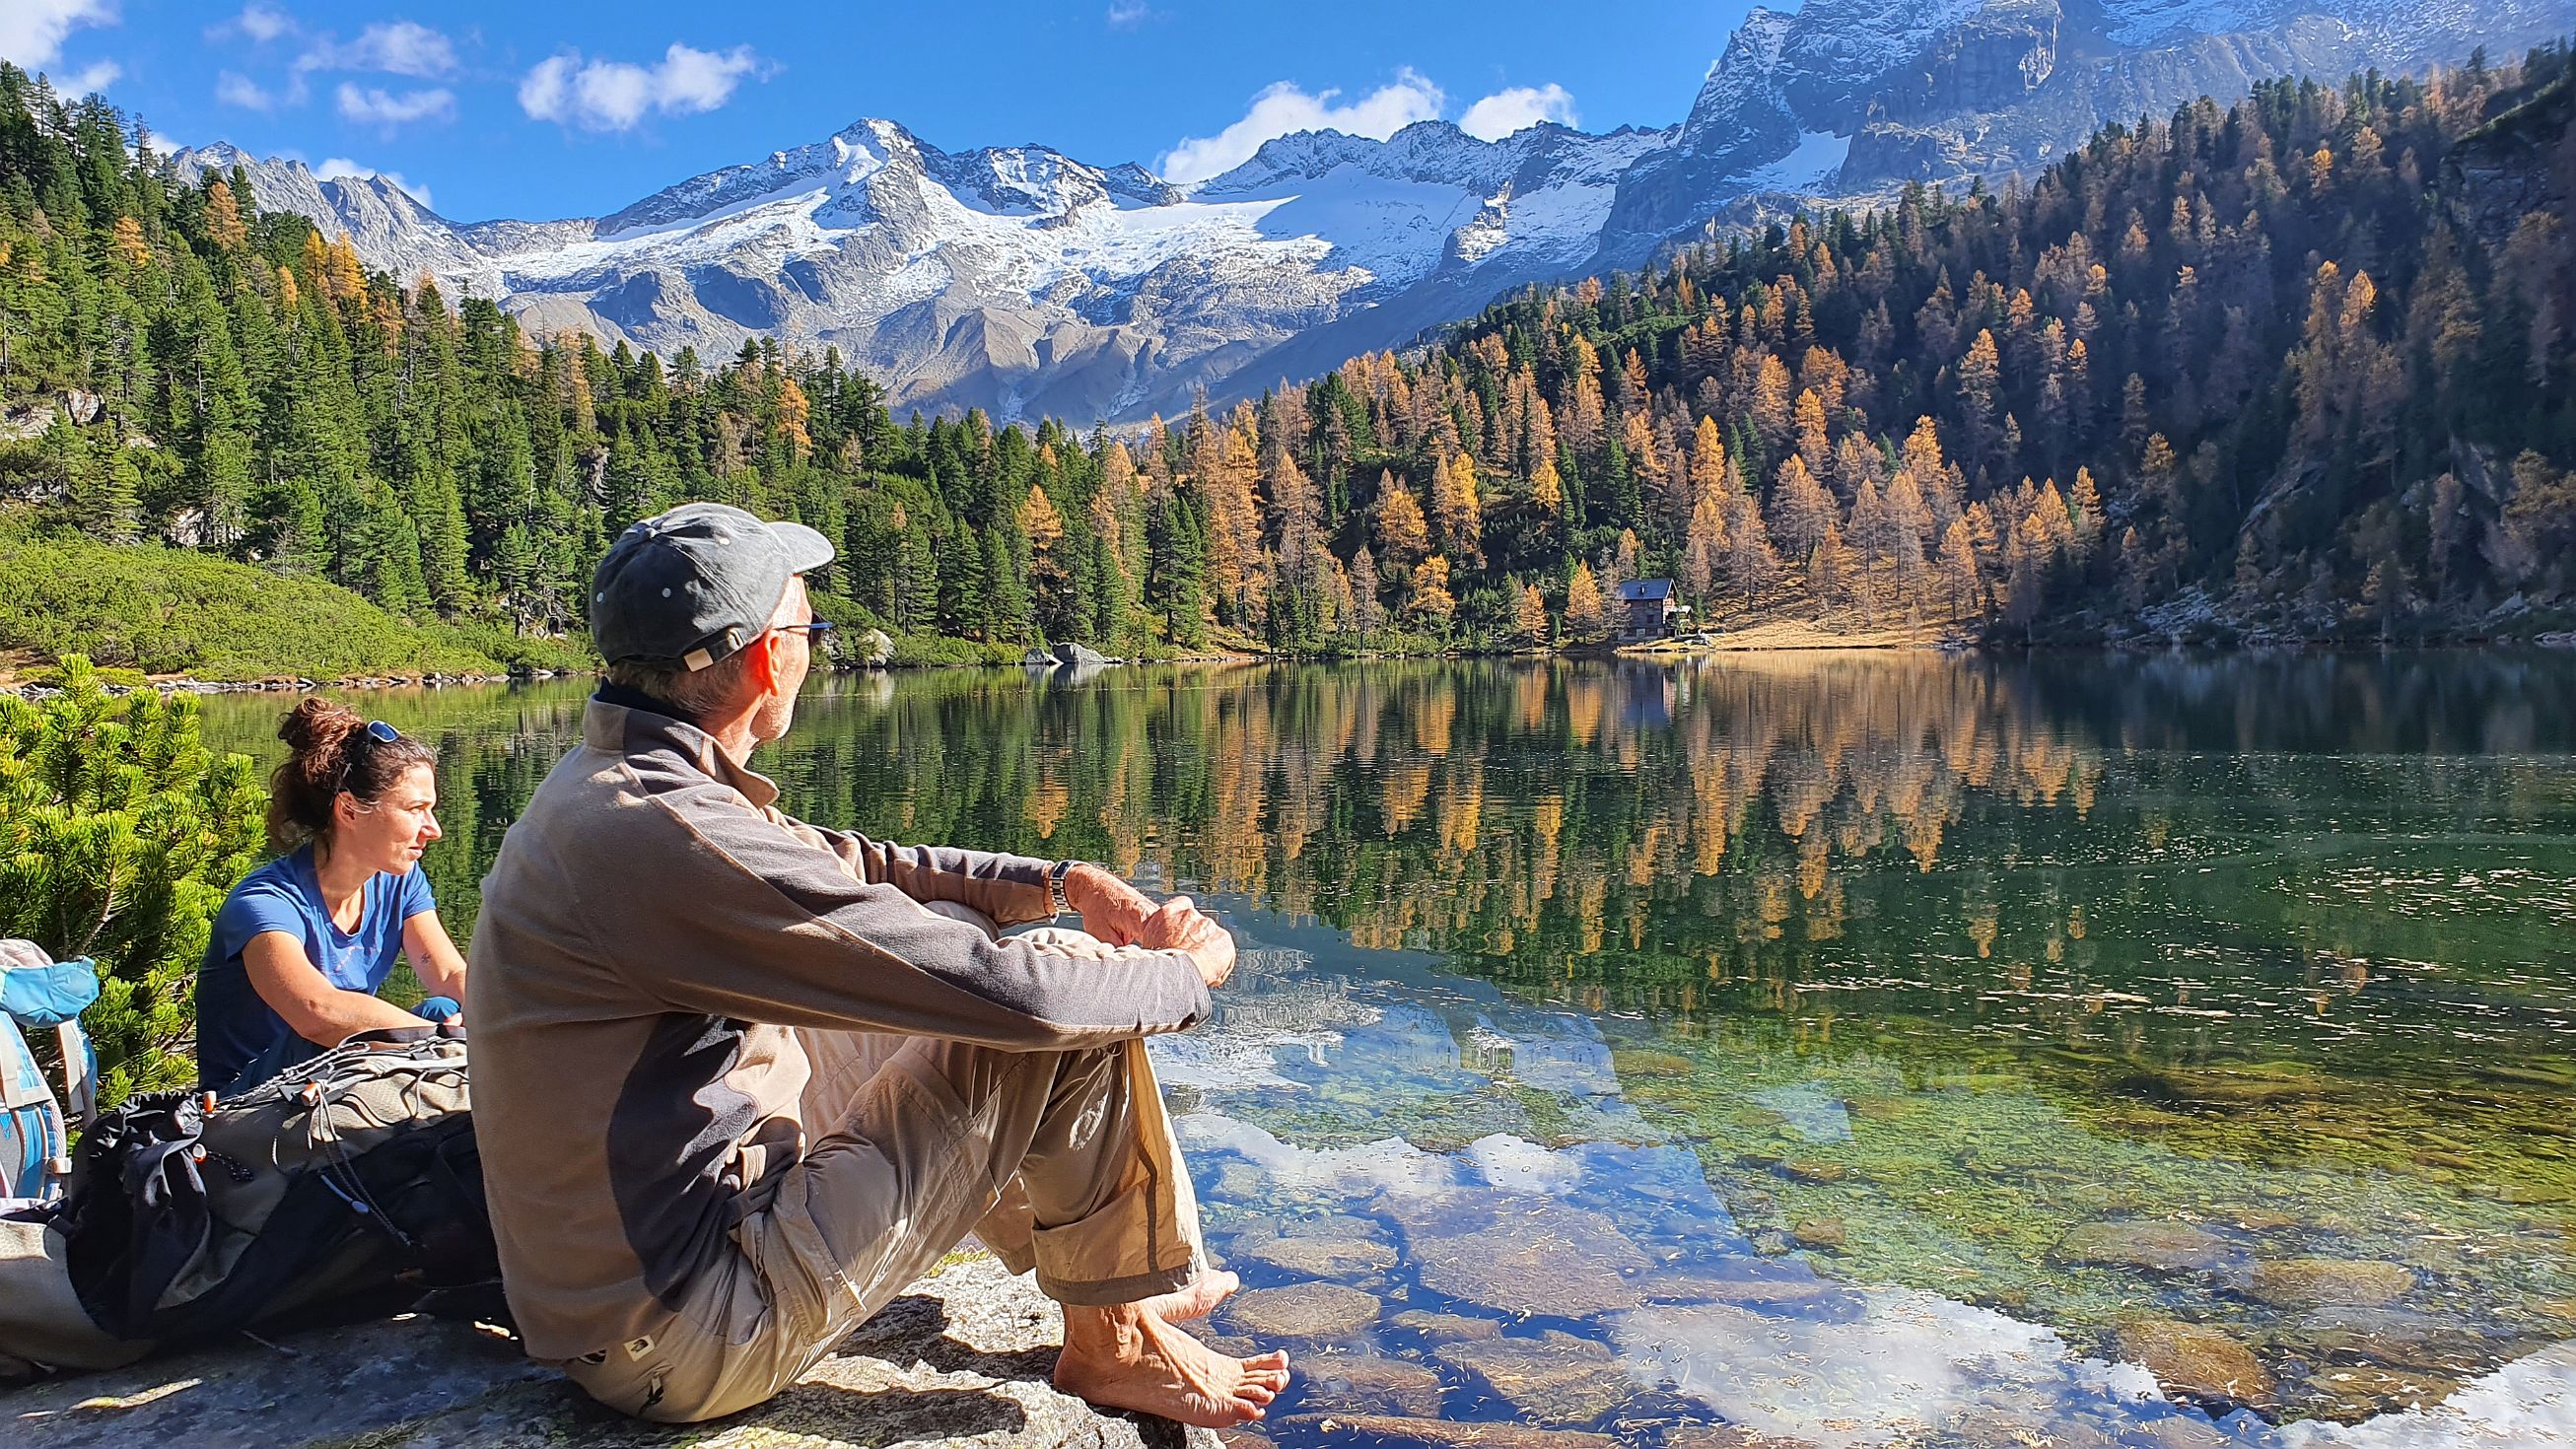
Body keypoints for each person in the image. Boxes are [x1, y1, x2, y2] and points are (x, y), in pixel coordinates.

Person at [469, 503, 1289, 1428]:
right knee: (1061, 987)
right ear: (765, 661)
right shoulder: (666, 834)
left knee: (948, 928)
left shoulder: (626, 785)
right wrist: (1186, 973)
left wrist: (1064, 879)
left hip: (643, 1282)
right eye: (806, 626)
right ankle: (1114, 1338)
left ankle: (1113, 1277)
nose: (811, 645)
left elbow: (866, 866)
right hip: (688, 1332)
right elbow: (1016, 1000)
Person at [194, 701, 469, 1098]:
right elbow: (317, 1012)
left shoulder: (400, 882)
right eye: (415, 810)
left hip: (332, 1078)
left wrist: (495, 1024)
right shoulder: (265, 904)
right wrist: (437, 1043)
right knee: (356, 1034)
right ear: (350, 810)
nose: (434, 829)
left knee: (445, 1010)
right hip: (250, 1106)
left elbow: (448, 976)